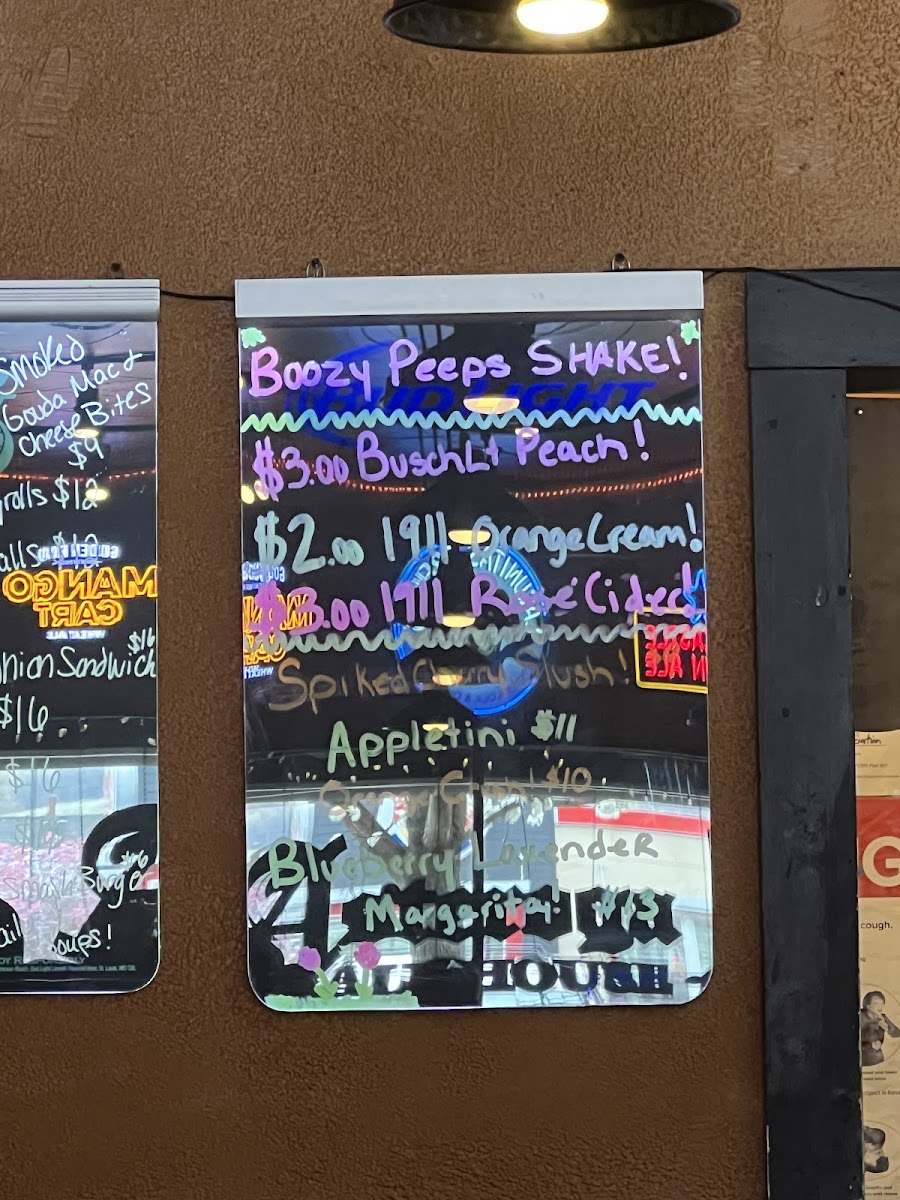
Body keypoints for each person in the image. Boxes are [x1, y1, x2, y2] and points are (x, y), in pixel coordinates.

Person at [861, 992, 900, 1066]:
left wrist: (885, 1025)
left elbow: (897, 1033)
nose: (880, 1006)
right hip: (862, 1057)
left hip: (878, 1058)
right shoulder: (860, 1016)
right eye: (876, 1003)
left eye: (882, 1003)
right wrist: (871, 1045)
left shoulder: (882, 1017)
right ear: (867, 1005)